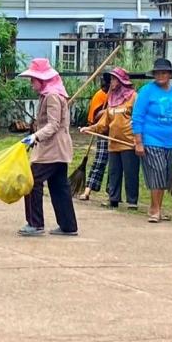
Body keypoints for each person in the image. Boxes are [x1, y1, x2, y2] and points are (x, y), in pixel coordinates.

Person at [17, 58, 78, 237]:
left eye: (33, 79)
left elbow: (53, 125)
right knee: (59, 186)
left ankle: (35, 223)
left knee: (32, 181)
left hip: (52, 150)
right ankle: (68, 226)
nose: (31, 83)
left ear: (42, 79)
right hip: (59, 149)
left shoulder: (52, 96)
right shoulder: (53, 94)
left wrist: (35, 137)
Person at [132, 58, 172, 223]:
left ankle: (157, 207)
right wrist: (138, 142)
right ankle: (155, 209)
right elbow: (137, 117)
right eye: (157, 73)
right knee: (157, 171)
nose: (160, 75)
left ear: (170, 74)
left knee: (165, 175)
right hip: (151, 138)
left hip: (171, 141)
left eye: (164, 72)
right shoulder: (147, 91)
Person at [82, 67, 139, 210]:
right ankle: (113, 199)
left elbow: (139, 119)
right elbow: (104, 123)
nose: (111, 82)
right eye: (111, 79)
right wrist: (90, 129)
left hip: (128, 142)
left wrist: (138, 139)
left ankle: (132, 201)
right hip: (113, 142)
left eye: (114, 79)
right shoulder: (111, 98)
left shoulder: (133, 97)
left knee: (130, 172)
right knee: (114, 172)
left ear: (121, 81)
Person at [79, 73, 111, 201]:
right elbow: (95, 117)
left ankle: (112, 194)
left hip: (117, 133)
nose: (103, 85)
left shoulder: (118, 95)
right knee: (100, 161)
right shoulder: (100, 95)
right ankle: (88, 190)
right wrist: (108, 110)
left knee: (114, 167)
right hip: (102, 132)